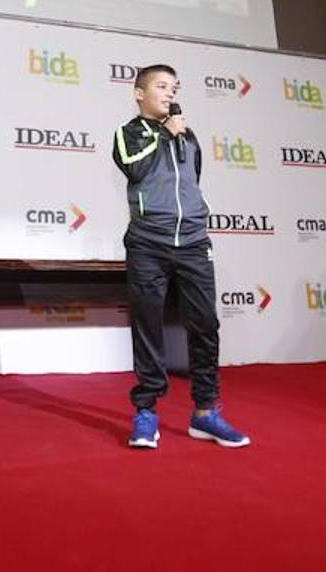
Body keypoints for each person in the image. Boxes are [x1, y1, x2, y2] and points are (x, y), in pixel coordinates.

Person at [111, 64, 250, 449]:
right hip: (148, 243)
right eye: (161, 86)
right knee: (149, 324)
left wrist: (177, 135)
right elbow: (136, 169)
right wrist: (164, 136)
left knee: (205, 325)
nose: (170, 94)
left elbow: (192, 181)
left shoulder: (188, 137)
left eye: (174, 87)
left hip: (192, 242)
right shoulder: (129, 134)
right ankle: (146, 413)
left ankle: (206, 413)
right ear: (139, 93)